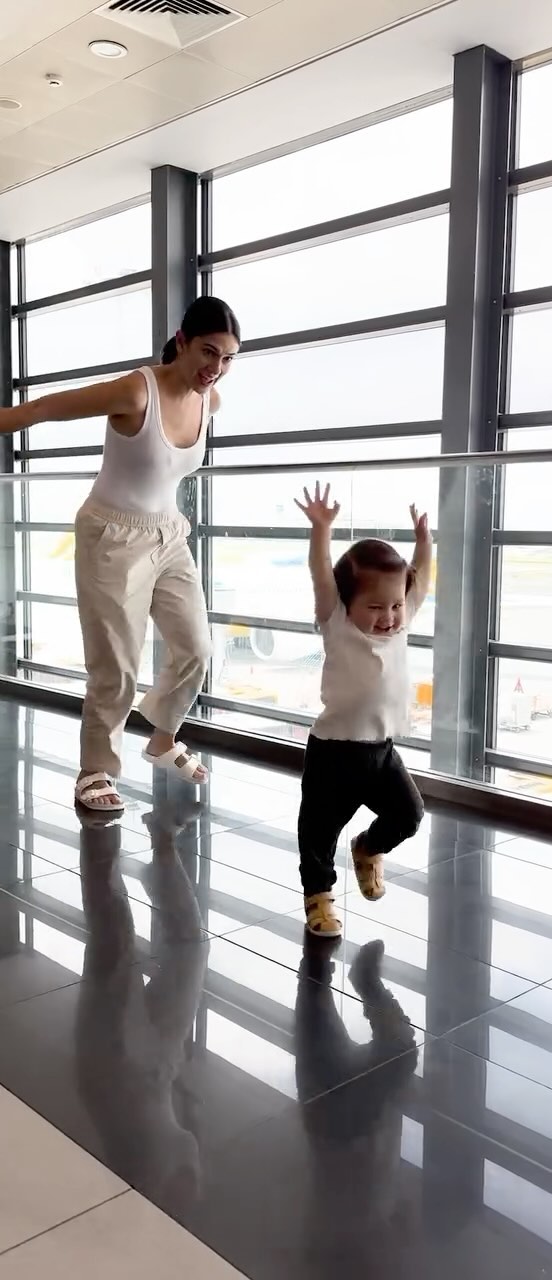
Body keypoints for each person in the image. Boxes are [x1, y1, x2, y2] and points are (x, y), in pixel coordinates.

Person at [0, 295, 241, 812]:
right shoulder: (137, 390)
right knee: (116, 665)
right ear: (182, 342)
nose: (215, 368)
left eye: (227, 358)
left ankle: (163, 738)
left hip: (169, 535)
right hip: (110, 536)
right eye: (208, 352)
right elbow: (44, 409)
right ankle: (95, 770)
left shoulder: (210, 401)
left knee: (197, 649)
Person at [295, 482, 432, 937]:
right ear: (346, 603)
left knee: (409, 815)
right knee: (318, 834)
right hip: (333, 752)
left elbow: (421, 579)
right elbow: (320, 574)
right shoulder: (336, 622)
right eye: (375, 607)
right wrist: (321, 529)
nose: (389, 616)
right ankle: (319, 898)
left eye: (395, 605)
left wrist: (424, 542)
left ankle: (369, 848)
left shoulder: (402, 623)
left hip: (381, 751)